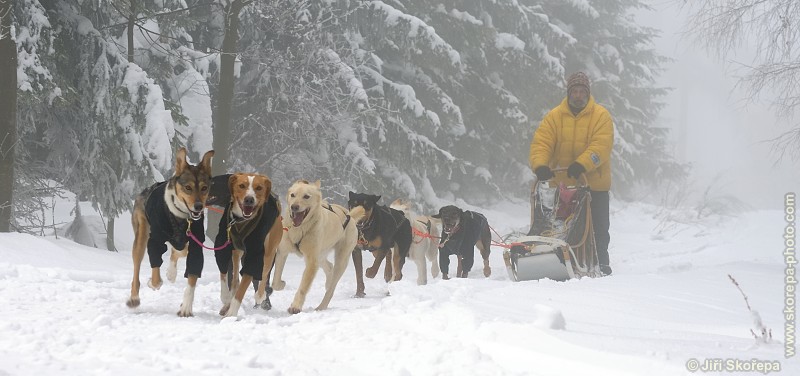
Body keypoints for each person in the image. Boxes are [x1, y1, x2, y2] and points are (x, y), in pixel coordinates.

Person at [529, 71, 614, 276]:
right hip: (564, 186)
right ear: (568, 93)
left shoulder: (601, 116)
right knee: (561, 228)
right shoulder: (554, 116)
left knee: (598, 228)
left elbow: (601, 146)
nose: (577, 95)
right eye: (574, 91)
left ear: (587, 93)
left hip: (594, 184)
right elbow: (542, 143)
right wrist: (540, 165)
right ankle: (562, 261)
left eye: (581, 91)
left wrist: (582, 164)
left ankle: (601, 261)